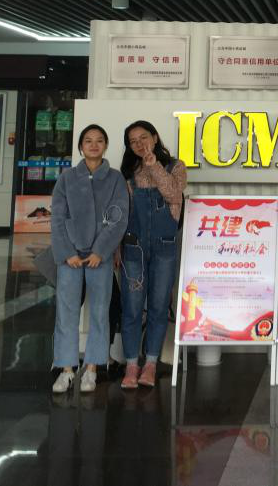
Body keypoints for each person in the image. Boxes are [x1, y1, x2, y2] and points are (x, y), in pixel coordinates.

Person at [50, 124, 127, 394]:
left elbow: (119, 218)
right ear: (81, 147)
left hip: (99, 257)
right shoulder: (67, 178)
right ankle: (66, 370)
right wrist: (67, 252)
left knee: (99, 312)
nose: (94, 145)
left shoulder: (115, 179)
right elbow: (57, 218)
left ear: (105, 145)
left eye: (99, 140)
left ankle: (92, 368)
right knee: (66, 312)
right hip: (70, 257)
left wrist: (101, 251)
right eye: (88, 141)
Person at [120, 120, 187, 389]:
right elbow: (121, 214)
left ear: (155, 138)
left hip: (164, 247)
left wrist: (153, 165)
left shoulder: (176, 166)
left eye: (143, 137)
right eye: (133, 141)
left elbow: (174, 194)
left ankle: (150, 364)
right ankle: (131, 365)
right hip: (133, 247)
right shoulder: (126, 173)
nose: (139, 144)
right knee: (132, 307)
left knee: (159, 307)